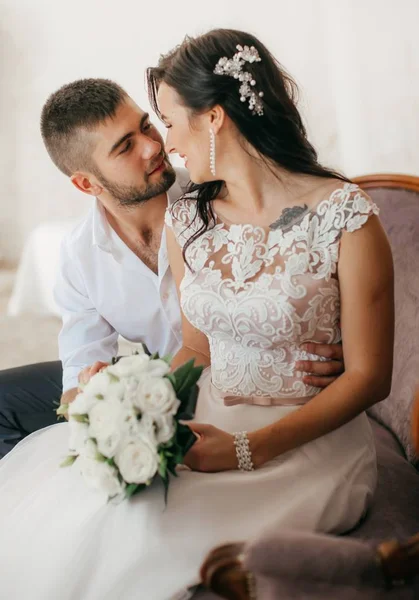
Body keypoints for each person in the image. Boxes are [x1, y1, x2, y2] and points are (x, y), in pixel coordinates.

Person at [0, 28, 394, 600]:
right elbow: (198, 348)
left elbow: (370, 375)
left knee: (146, 539)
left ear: (214, 118)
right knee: (82, 516)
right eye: (128, 143)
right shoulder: (191, 222)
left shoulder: (343, 214)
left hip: (304, 444)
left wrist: (247, 446)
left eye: (159, 120)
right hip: (206, 410)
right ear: (87, 182)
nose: (160, 142)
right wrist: (134, 410)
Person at [0, 78, 343, 458]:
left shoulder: (219, 202)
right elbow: (79, 363)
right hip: (150, 380)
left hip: (226, 386)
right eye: (125, 147)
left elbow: (299, 283)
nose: (153, 146)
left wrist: (325, 340)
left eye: (146, 125)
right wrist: (91, 406)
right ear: (86, 184)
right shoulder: (80, 254)